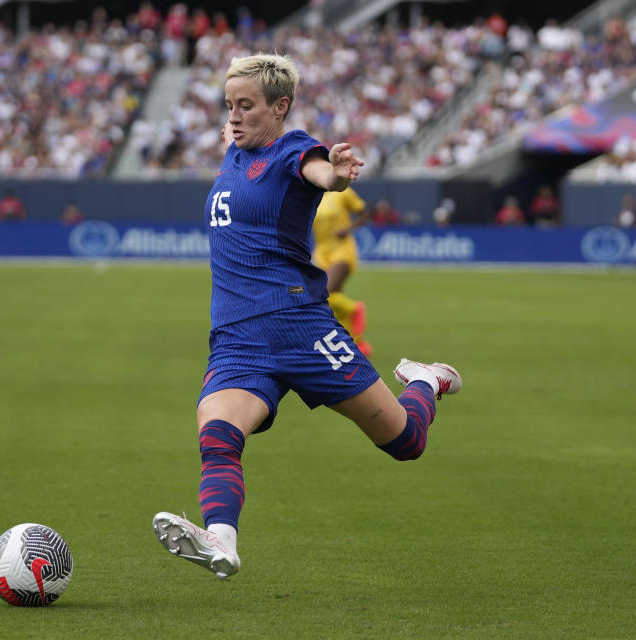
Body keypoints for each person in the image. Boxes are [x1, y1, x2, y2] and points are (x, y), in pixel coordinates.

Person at [152, 54, 462, 580]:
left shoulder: (291, 148)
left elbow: (318, 171)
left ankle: (427, 380)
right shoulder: (234, 152)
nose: (234, 116)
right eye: (229, 105)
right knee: (218, 433)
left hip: (299, 327)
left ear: (280, 107)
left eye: (246, 106)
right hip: (236, 339)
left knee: (406, 442)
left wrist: (335, 176)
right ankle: (221, 541)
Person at [311, 186, 372, 355]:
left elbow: (365, 212)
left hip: (341, 250)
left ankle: (355, 309)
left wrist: (348, 228)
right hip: (321, 252)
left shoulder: (342, 192)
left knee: (326, 292)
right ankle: (358, 344)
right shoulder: (313, 195)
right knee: (333, 302)